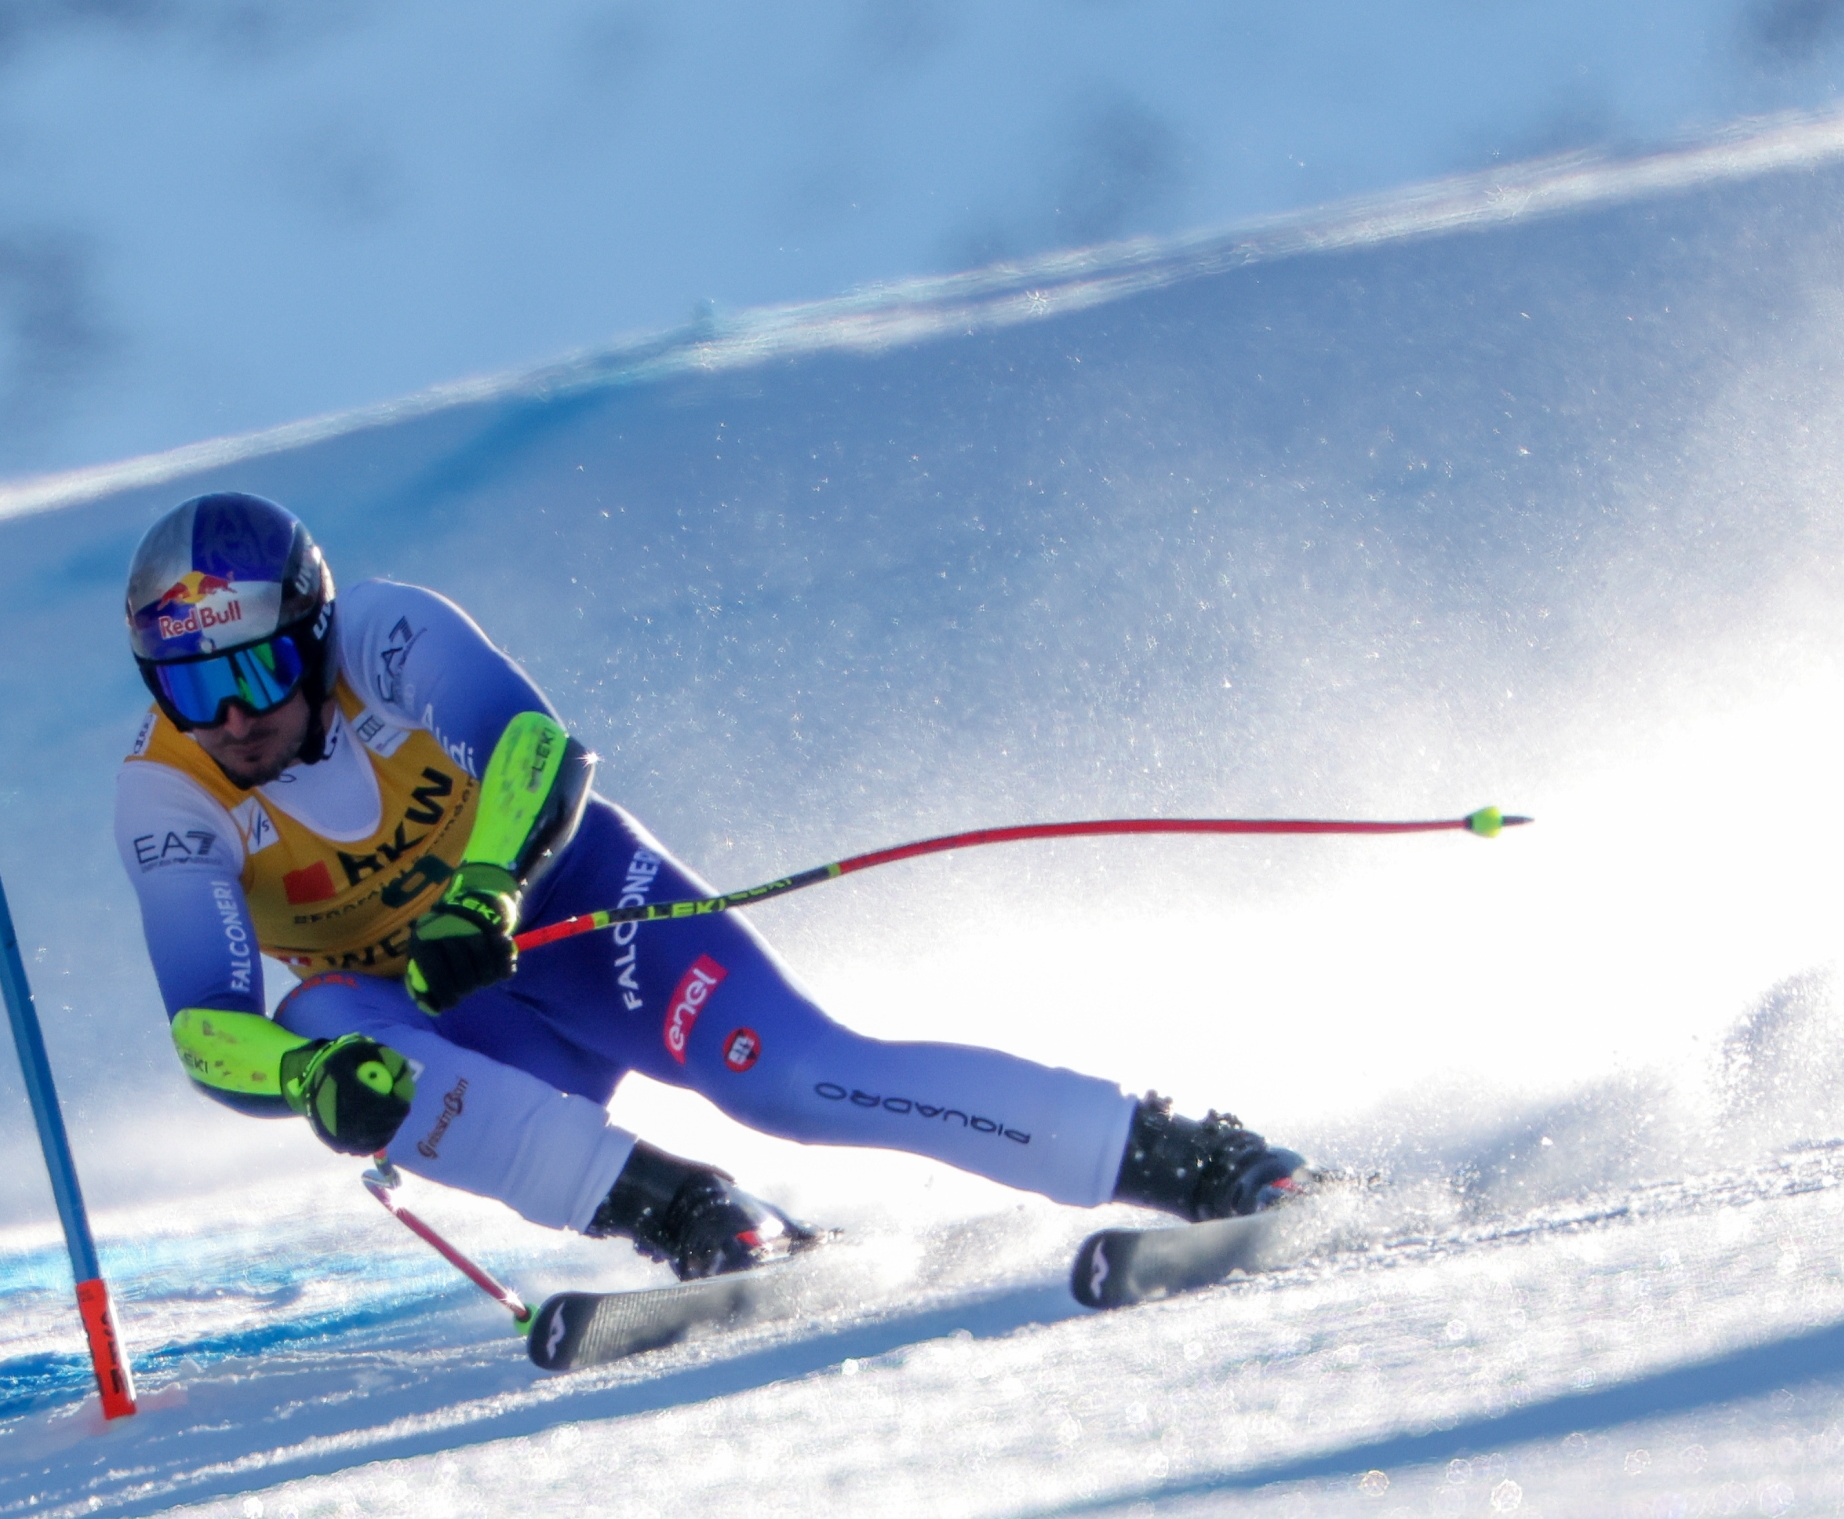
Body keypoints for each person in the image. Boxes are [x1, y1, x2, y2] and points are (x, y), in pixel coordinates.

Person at [113, 492, 1305, 1279]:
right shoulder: (168, 795)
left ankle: (1184, 1156)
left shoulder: (385, 632)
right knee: (325, 1030)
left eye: (260, 667)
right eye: (187, 687)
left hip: (574, 913)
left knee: (794, 1076)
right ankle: (685, 1210)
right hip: (440, 1010)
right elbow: (208, 1028)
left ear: (314, 633)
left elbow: (534, 746)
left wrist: (483, 890)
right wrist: (311, 1078)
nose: (233, 716)